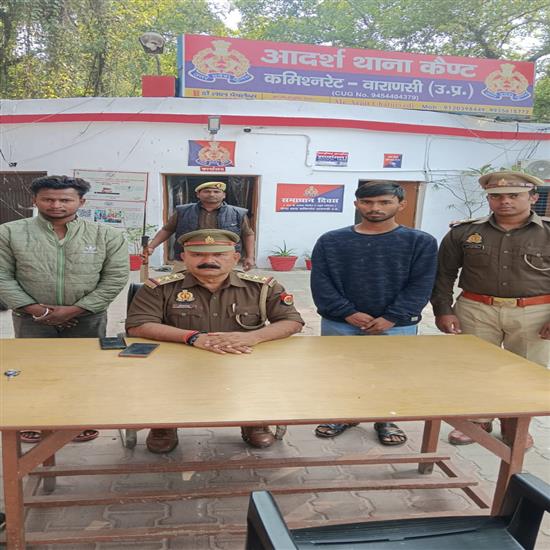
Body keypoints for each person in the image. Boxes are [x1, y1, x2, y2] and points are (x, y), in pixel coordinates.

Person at [126, 229, 304, 454]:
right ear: (184, 257)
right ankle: (163, 425)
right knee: (159, 379)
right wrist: (192, 337)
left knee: (259, 380)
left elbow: (292, 321)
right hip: (177, 363)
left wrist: (253, 337)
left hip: (242, 360)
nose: (208, 260)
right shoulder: (159, 287)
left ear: (235, 257)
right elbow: (138, 325)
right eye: (198, 255)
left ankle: (255, 421)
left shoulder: (262, 287)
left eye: (219, 254)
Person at [0, 175, 129, 443]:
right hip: (30, 318)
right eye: (48, 199)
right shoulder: (9, 233)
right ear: (34, 200)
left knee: (83, 368)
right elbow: (3, 277)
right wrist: (38, 311)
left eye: (65, 200)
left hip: (87, 317)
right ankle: (34, 419)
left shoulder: (107, 235)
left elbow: (115, 278)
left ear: (81, 202)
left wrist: (76, 309)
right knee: (34, 369)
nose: (56, 205)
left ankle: (78, 420)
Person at [310, 181, 438, 445]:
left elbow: (422, 284)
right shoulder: (331, 241)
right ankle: (342, 415)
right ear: (356, 204)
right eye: (367, 202)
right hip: (341, 323)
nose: (375, 208)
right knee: (339, 371)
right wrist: (347, 312)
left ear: (401, 205)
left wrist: (392, 317)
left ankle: (385, 418)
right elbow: (321, 282)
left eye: (384, 202)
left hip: (397, 325)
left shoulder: (420, 242)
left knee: (390, 373)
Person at [431, 170, 550, 449]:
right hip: (476, 309)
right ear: (488, 199)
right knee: (474, 369)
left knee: (527, 372)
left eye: (514, 195)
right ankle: (477, 421)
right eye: (496, 196)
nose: (504, 201)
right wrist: (443, 310)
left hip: (534, 313)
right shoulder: (464, 232)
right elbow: (444, 274)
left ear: (533, 198)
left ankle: (515, 426)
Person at [147, 181, 256, 270]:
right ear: (198, 194)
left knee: (225, 287)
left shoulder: (237, 213)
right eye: (207, 191)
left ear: (224, 195)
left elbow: (248, 234)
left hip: (224, 258)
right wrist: (151, 246)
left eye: (216, 191)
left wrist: (250, 257)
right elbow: (167, 230)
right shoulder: (183, 211)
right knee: (181, 286)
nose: (211, 194)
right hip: (188, 257)